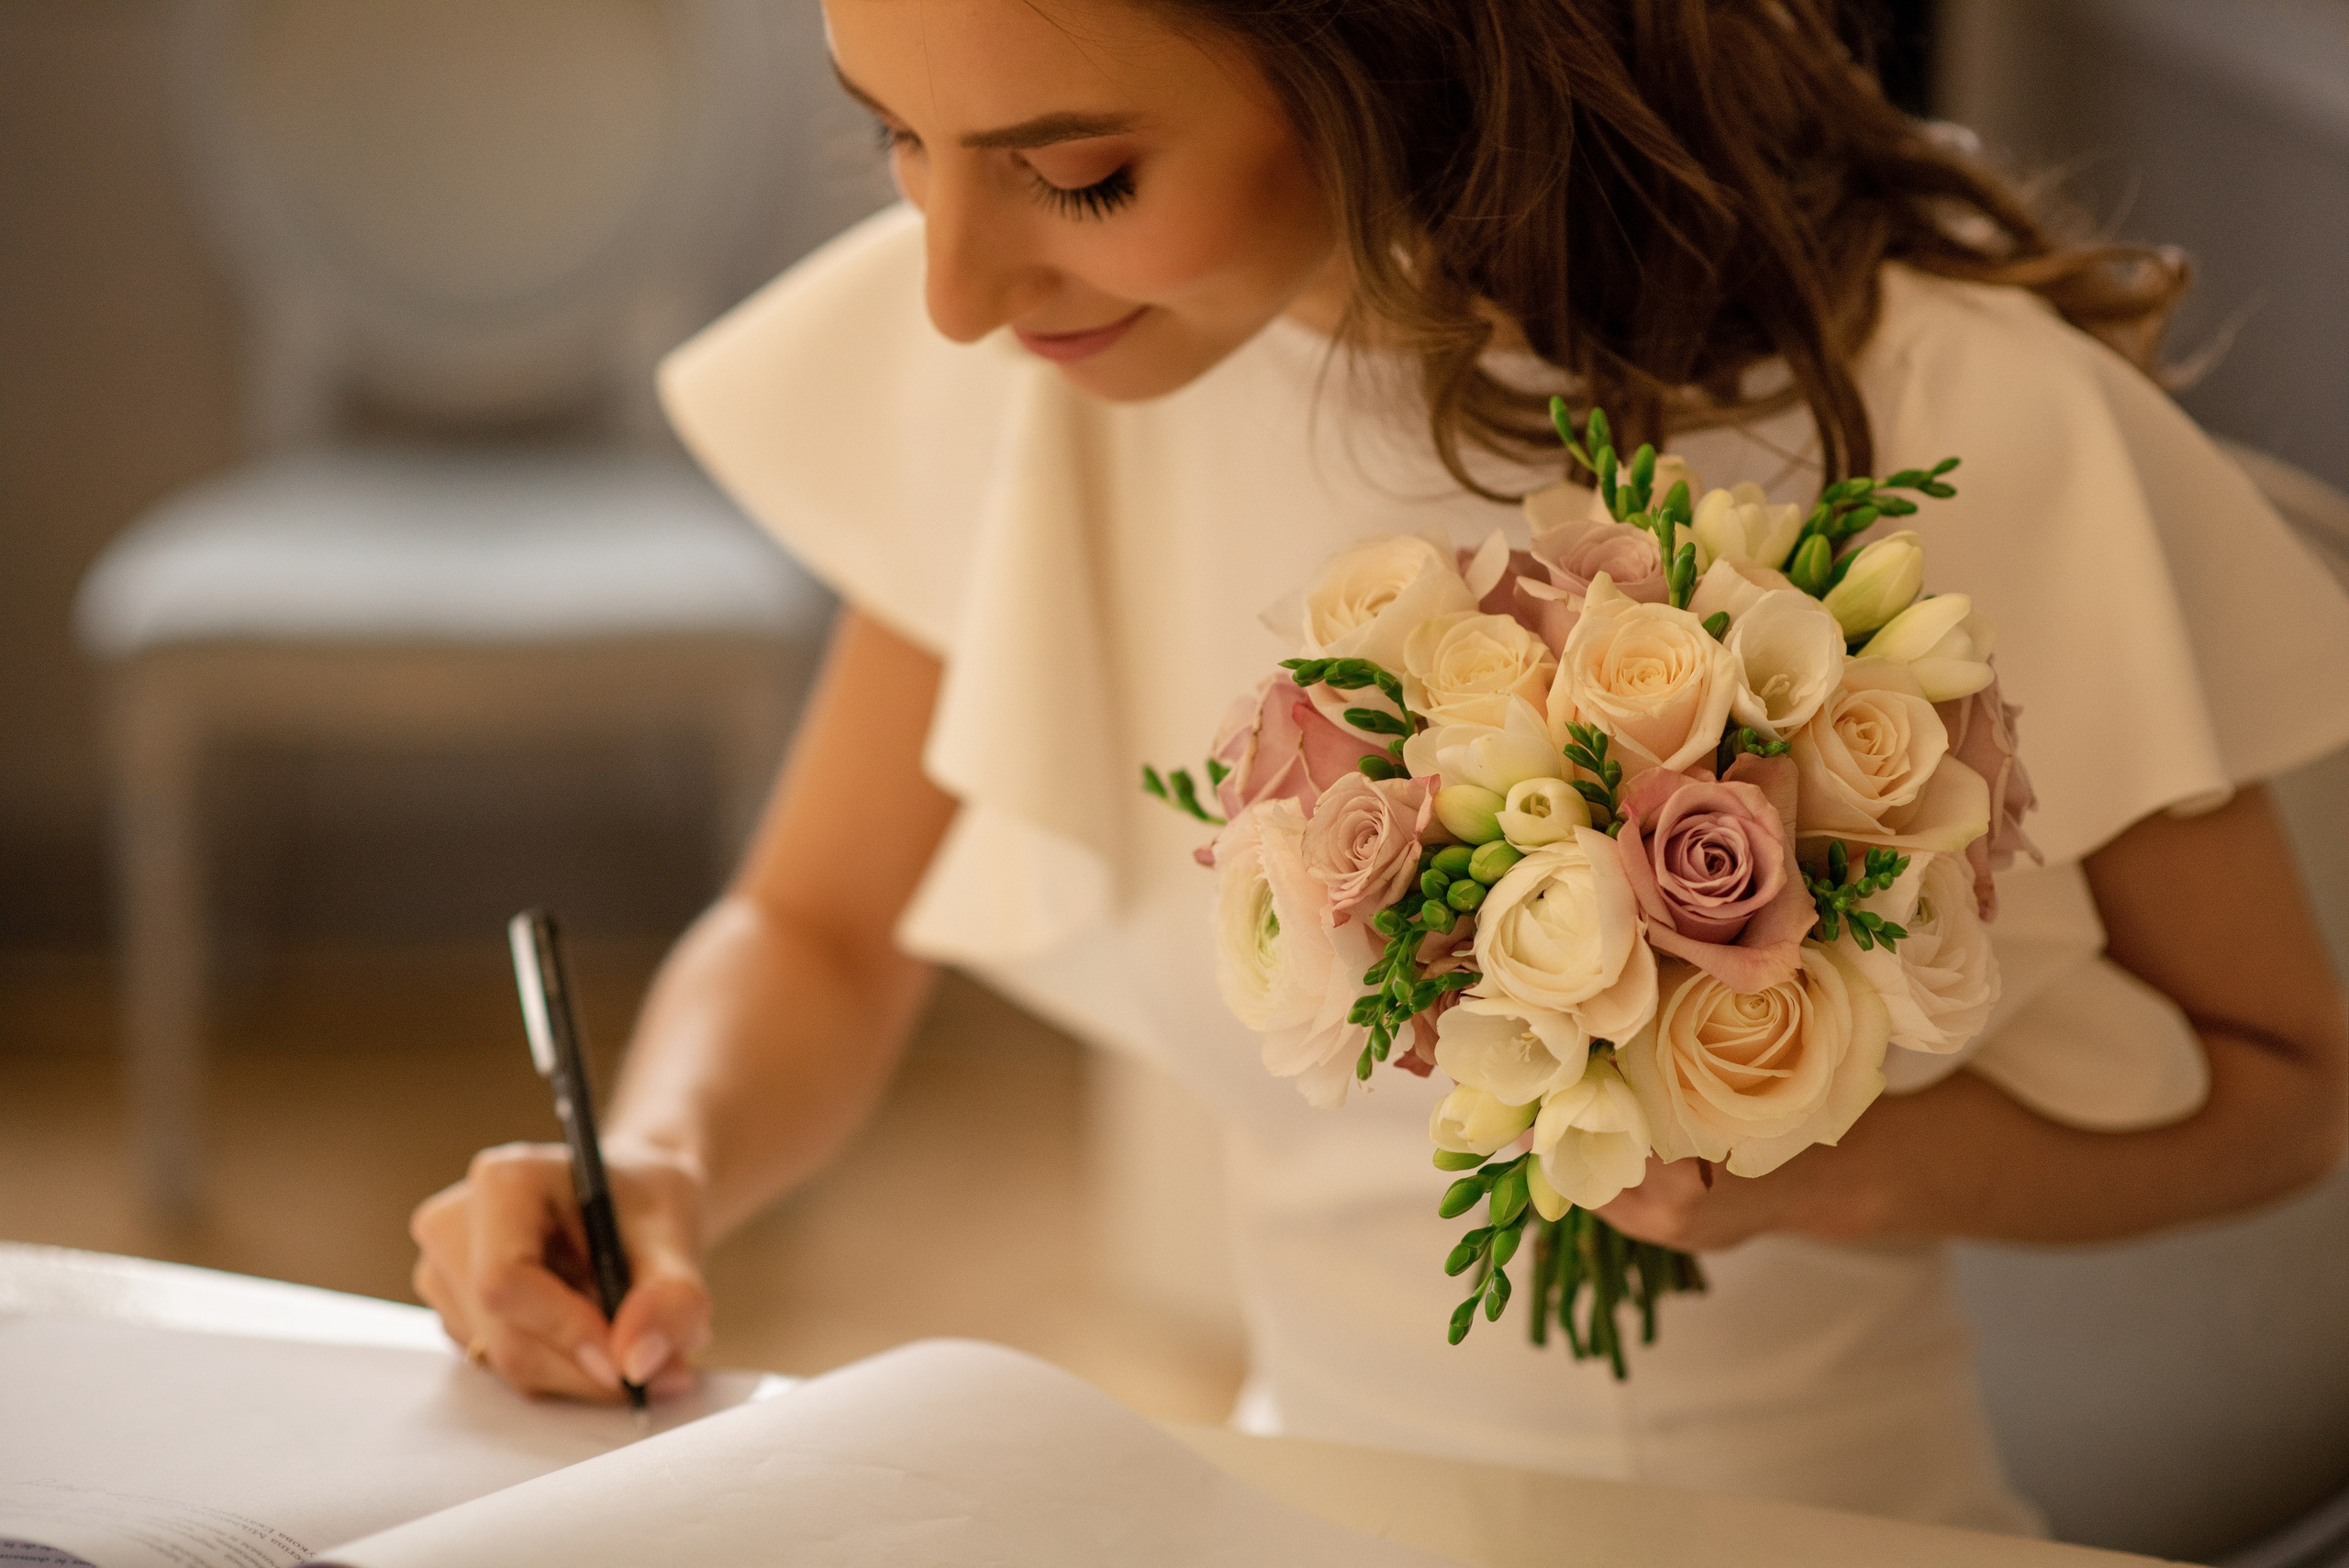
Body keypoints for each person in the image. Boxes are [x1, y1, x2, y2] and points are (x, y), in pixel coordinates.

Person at [409, 0, 2349, 1532]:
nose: (950, 289)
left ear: (1391, 51)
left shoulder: (1943, 416)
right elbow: (818, 930)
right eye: (889, 135)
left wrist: (1829, 1165)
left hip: (1821, 1523)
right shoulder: (1056, 374)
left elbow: (2286, 1091)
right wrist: (657, 1156)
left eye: (1072, 175)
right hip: (1305, 1503)